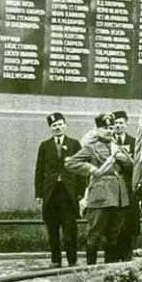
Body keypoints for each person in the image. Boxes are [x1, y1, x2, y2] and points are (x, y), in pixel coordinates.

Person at [65, 114, 133, 264]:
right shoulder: (91, 147)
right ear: (97, 129)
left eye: (111, 128)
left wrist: (125, 161)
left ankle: (109, 268)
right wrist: (91, 168)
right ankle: (91, 269)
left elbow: (130, 166)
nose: (109, 131)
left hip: (119, 196)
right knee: (95, 232)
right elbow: (70, 163)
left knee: (115, 233)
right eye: (105, 128)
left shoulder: (117, 147)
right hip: (100, 195)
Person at [34, 112, 84, 268]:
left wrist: (81, 192)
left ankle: (72, 260)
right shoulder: (45, 146)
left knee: (70, 229)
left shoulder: (75, 144)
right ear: (50, 128)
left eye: (60, 124)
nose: (58, 127)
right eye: (54, 125)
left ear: (65, 125)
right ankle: (55, 261)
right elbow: (39, 170)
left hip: (69, 194)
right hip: (51, 193)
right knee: (52, 229)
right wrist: (39, 194)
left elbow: (82, 170)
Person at [111, 110, 139, 261]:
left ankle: (128, 253)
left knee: (129, 220)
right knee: (114, 221)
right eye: (115, 123)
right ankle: (114, 254)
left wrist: (127, 162)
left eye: (121, 123)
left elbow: (139, 166)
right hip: (113, 188)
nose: (118, 126)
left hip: (129, 187)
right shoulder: (107, 142)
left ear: (126, 124)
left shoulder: (134, 142)